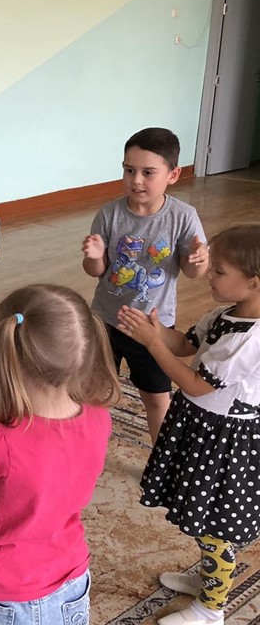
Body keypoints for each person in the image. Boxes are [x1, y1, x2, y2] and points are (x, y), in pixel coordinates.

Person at [118, 223, 260, 625]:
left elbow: (196, 384)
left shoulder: (250, 340)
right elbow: (186, 344)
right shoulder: (227, 314)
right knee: (201, 516)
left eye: (219, 271)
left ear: (253, 282)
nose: (209, 275)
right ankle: (211, 577)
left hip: (225, 441)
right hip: (202, 428)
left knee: (214, 525)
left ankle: (211, 608)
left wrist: (152, 344)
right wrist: (156, 329)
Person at [0, 285, 121, 625]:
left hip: (5, 592)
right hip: (72, 576)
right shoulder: (99, 417)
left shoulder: (0, 438)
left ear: (8, 359)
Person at [82, 127, 208, 444]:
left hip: (153, 326)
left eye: (148, 172)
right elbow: (97, 271)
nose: (136, 180)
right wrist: (94, 257)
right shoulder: (109, 214)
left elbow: (193, 272)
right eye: (129, 170)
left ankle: (159, 458)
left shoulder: (183, 217)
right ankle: (86, 447)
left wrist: (198, 260)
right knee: (95, 391)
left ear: (173, 174)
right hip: (106, 320)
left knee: (155, 397)